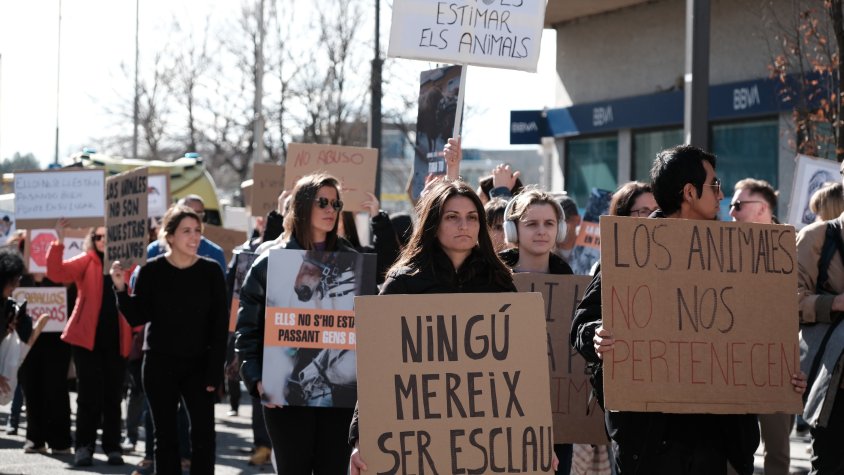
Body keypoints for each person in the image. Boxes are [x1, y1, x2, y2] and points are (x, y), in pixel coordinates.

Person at [570, 145, 806, 475]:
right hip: (653, 441)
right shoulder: (631, 249)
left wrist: (781, 374)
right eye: (715, 186)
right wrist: (597, 335)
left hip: (719, 442)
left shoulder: (735, 252)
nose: (722, 195)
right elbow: (581, 323)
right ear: (690, 192)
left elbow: (758, 331)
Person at [347, 179, 560, 474]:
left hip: (483, 442)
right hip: (419, 442)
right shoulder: (404, 283)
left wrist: (537, 439)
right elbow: (377, 369)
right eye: (452, 217)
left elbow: (522, 372)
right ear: (434, 223)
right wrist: (361, 439)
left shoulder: (499, 283)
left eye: (472, 217)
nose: (464, 225)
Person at [235, 173, 358, 475]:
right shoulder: (269, 262)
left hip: (339, 397)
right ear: (303, 207)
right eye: (323, 202)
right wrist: (256, 379)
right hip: (285, 394)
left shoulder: (354, 264)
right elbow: (247, 331)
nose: (331, 209)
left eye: (336, 203)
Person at [111, 204, 228, 475]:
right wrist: (119, 289)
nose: (194, 237)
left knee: (203, 436)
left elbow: (219, 326)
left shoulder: (211, 272)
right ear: (170, 236)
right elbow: (138, 315)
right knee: (164, 437)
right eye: (186, 231)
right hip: (159, 363)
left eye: (198, 230)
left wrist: (215, 372)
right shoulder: (151, 271)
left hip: (199, 365)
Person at [497, 188, 574, 474]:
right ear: (513, 230)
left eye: (549, 224)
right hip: (501, 416)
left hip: (558, 421)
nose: (541, 231)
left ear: (560, 229)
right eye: (531, 224)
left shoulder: (572, 283)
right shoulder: (490, 279)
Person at [47, 221, 132, 467]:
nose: (103, 241)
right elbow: (56, 273)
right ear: (93, 240)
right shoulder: (87, 261)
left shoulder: (127, 264)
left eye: (108, 237)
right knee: (88, 396)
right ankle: (84, 447)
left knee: (113, 397)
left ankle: (113, 447)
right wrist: (59, 240)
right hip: (87, 341)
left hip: (117, 341)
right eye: (99, 237)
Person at [728, 178, 793, 475]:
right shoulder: (722, 249)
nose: (732, 212)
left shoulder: (792, 248)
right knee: (732, 448)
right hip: (731, 363)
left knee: (777, 450)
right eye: (731, 205)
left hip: (777, 365)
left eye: (739, 205)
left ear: (762, 209)